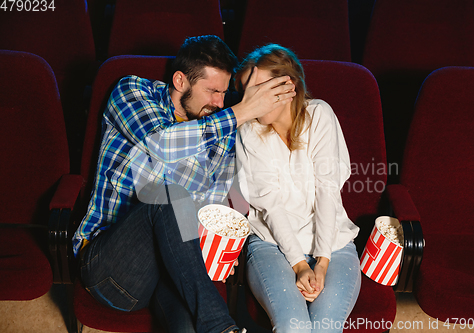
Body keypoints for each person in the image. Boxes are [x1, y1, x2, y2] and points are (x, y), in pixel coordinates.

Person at [72, 35, 296, 333]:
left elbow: (210, 208)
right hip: (110, 268)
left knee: (189, 325)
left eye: (225, 93)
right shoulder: (133, 92)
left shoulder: (222, 130)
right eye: (212, 91)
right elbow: (162, 144)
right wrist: (241, 112)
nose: (220, 102)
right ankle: (221, 327)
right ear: (180, 81)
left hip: (171, 267)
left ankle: (216, 327)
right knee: (170, 196)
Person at [234, 44, 361, 333]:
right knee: (294, 327)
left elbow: (327, 193)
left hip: (334, 246)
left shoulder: (320, 115)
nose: (248, 101)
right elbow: (271, 207)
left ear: (287, 86)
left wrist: (322, 263)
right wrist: (299, 265)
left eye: (257, 89)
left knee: (326, 327)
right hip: (271, 245)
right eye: (244, 91)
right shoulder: (248, 130)